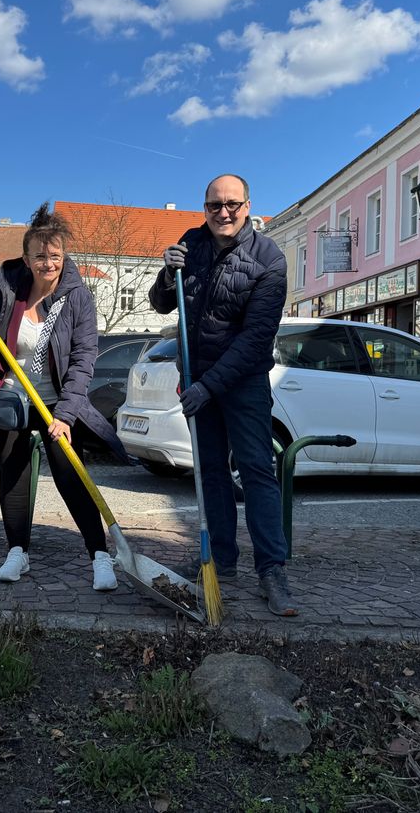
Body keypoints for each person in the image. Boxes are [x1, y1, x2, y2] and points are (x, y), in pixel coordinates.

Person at [148, 174, 296, 617]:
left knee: (255, 472)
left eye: (232, 204)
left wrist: (207, 388)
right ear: (205, 208)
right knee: (211, 472)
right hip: (198, 378)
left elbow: (255, 340)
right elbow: (161, 303)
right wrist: (166, 270)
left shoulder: (269, 259)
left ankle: (272, 569)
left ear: (248, 206)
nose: (224, 213)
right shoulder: (190, 244)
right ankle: (223, 562)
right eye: (215, 205)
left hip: (243, 383)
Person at [0, 202, 124, 591]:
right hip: (12, 398)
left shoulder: (77, 297)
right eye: (40, 256)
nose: (48, 263)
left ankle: (99, 556)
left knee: (71, 477)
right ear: (27, 256)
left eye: (55, 256)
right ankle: (17, 551)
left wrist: (66, 414)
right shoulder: (6, 288)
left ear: (63, 256)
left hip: (57, 403)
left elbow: (85, 358)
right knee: (14, 476)